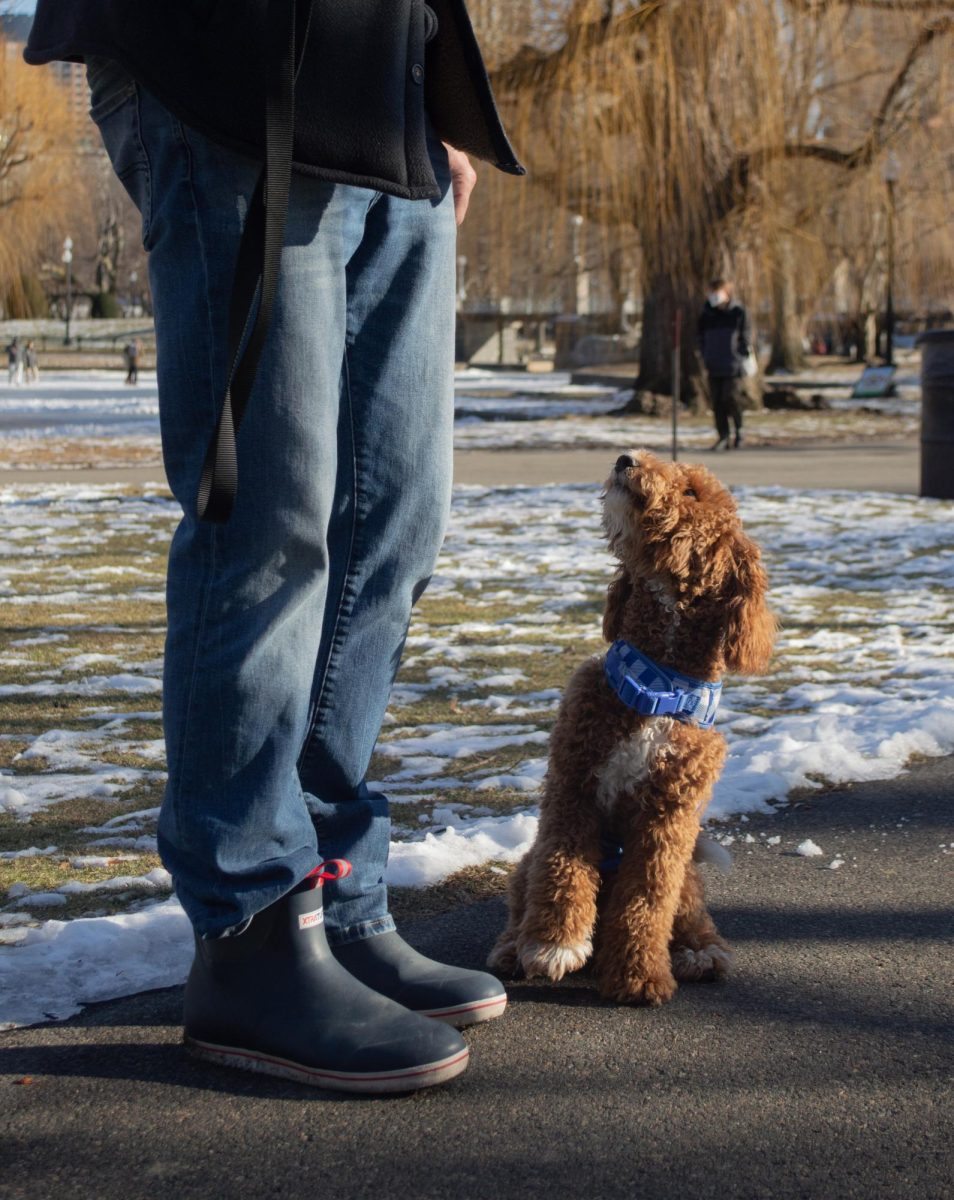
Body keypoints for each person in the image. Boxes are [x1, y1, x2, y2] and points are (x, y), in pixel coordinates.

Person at [25, 1, 524, 1093]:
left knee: (391, 524)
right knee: (271, 523)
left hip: (389, 93)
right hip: (227, 72)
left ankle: (335, 890)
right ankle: (252, 927)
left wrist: (432, 86)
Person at [697, 278, 751, 450]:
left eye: (717, 292)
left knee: (732, 398)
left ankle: (739, 432)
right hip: (713, 364)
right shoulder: (707, 313)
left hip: (733, 364)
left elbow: (746, 335)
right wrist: (705, 354)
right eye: (711, 292)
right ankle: (723, 436)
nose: (713, 296)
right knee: (717, 402)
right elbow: (701, 336)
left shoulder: (738, 312)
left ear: (726, 292)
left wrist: (740, 354)